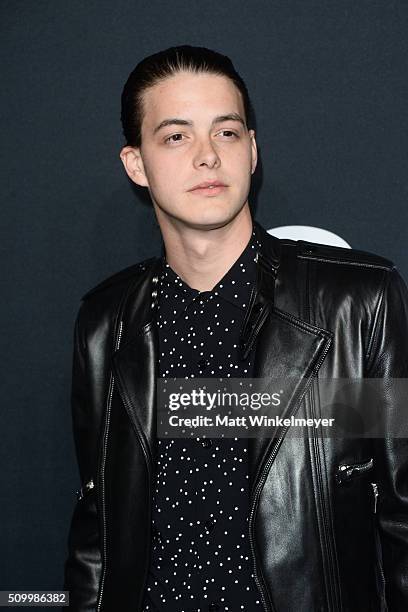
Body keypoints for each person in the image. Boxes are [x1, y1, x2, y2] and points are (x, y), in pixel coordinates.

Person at [63, 45, 408, 612]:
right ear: (136, 164)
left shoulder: (353, 304)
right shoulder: (107, 324)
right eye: (176, 136)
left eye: (225, 132)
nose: (207, 157)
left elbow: (400, 514)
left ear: (251, 151)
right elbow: (97, 528)